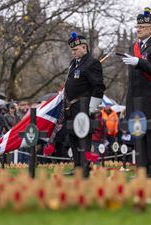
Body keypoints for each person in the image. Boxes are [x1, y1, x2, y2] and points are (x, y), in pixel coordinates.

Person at [121, 7, 151, 179]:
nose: (138, 29)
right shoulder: (134, 47)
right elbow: (132, 81)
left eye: (141, 27)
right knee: (138, 135)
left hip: (149, 100)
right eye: (137, 26)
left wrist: (139, 62)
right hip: (136, 99)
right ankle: (141, 171)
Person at [65, 32, 105, 177]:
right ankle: (77, 166)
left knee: (84, 137)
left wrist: (92, 106)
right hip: (72, 106)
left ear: (84, 47)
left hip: (84, 106)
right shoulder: (73, 63)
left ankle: (85, 166)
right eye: (72, 50)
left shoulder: (91, 63)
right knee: (73, 137)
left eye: (75, 50)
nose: (73, 52)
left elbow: (98, 86)